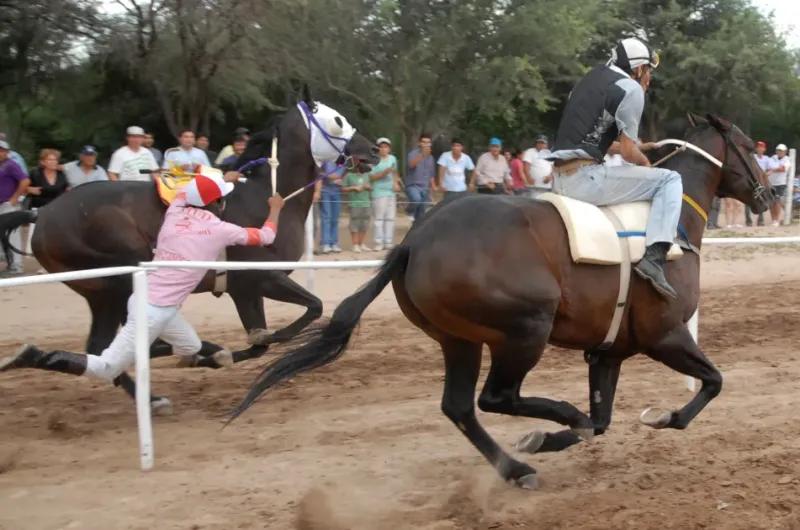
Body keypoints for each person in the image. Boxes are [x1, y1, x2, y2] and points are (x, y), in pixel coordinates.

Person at [1, 168, 285, 382]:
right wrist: (275, 210)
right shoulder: (220, 229)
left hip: (155, 303)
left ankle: (145, 347)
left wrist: (220, 178)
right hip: (152, 311)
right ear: (217, 203)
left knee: (192, 345)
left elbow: (184, 191)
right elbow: (266, 236)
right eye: (222, 196)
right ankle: (37, 357)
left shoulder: (175, 210)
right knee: (106, 368)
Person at [550, 37, 681, 299]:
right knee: (668, 179)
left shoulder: (590, 79)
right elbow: (630, 155)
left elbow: (594, 141)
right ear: (637, 68)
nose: (649, 78)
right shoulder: (630, 90)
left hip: (558, 177)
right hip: (584, 180)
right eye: (648, 70)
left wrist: (637, 148)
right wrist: (646, 164)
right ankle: (654, 259)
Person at [0, 140, 29, 274]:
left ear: (7, 152)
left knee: (12, 235)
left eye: (2, 150)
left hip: (7, 205)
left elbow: (25, 180)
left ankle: (16, 265)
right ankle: (9, 264)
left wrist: (14, 198)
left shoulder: (11, 165)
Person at [369, 137, 401, 251]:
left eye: (386, 147)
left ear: (389, 148)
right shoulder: (374, 160)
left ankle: (388, 242)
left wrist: (396, 183)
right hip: (379, 192)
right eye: (381, 147)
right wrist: (384, 173)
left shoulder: (392, 159)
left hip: (390, 192)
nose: (384, 149)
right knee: (379, 218)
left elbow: (395, 173)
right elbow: (371, 177)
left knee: (390, 218)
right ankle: (378, 242)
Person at [405, 133, 435, 224]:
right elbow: (411, 165)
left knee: (421, 214)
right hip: (413, 185)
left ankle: (416, 226)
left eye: (428, 142)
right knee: (416, 200)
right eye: (424, 142)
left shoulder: (431, 158)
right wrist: (422, 155)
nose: (426, 144)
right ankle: (409, 211)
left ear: (430, 144)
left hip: (425, 187)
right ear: (419, 143)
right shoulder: (413, 154)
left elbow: (431, 174)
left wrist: (433, 186)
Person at [316, 161, 345, 253]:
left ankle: (334, 243)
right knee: (326, 217)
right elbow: (319, 173)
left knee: (335, 218)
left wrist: (342, 180)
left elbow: (345, 174)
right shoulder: (326, 161)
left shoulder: (343, 162)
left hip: (337, 190)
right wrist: (329, 176)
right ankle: (325, 243)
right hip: (326, 190)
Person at [343, 168, 372, 252]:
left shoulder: (367, 175)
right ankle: (355, 245)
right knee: (354, 224)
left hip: (366, 203)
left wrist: (368, 187)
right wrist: (353, 188)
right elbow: (343, 188)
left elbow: (371, 187)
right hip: (354, 204)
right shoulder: (349, 175)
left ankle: (361, 244)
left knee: (364, 224)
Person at [746, 140, 771, 226]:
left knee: (762, 199)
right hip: (752, 180)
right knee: (748, 198)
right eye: (758, 147)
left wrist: (767, 174)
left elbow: (770, 169)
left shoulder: (767, 159)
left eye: (761, 147)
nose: (760, 149)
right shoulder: (753, 157)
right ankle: (748, 220)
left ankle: (761, 219)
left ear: (764, 149)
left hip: (762, 181)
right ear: (756, 149)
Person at [768, 143, 791, 226]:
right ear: (776, 151)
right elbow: (770, 166)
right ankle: (773, 219)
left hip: (780, 183)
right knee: (771, 202)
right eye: (779, 150)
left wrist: (773, 170)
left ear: (785, 152)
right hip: (771, 183)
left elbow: (783, 169)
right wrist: (777, 168)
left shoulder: (787, 159)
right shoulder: (772, 158)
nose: (780, 152)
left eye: (782, 151)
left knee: (777, 201)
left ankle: (777, 220)